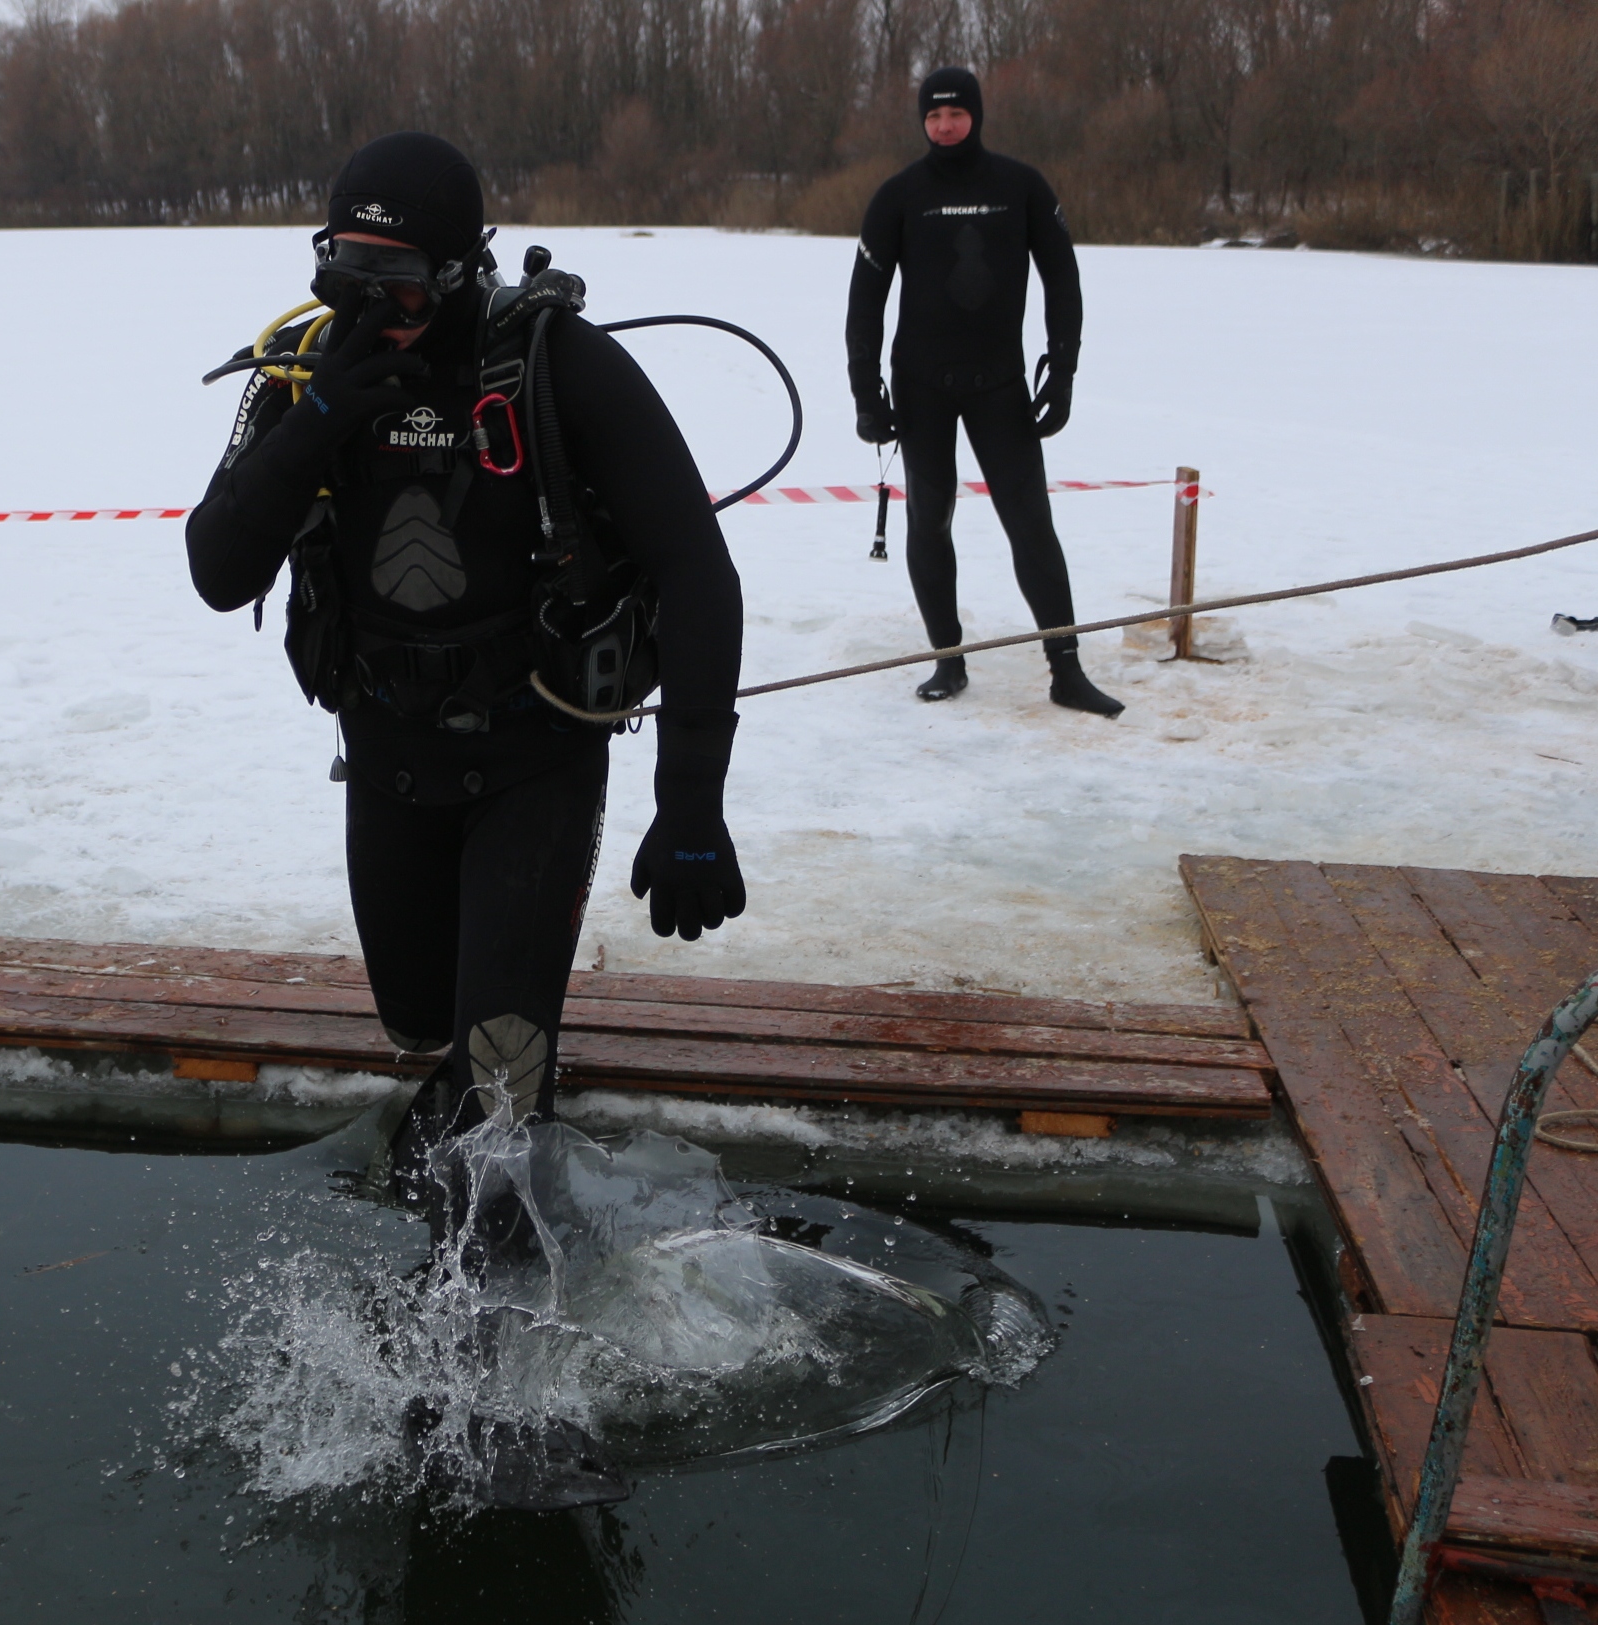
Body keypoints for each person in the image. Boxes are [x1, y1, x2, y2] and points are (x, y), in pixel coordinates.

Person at [186, 132, 746, 1172]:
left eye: (395, 285)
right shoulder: (305, 369)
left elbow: (697, 571)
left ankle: (497, 1304)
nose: (368, 310)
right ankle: (452, 1185)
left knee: (501, 1075)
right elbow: (218, 569)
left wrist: (693, 800)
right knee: (416, 1026)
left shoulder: (554, 364)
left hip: (534, 759)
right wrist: (314, 421)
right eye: (342, 276)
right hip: (388, 758)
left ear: (457, 271)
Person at [846, 67, 1121, 718]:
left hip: (1000, 385)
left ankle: (1065, 669)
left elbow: (1062, 279)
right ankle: (947, 659)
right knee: (929, 521)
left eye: (956, 115)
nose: (944, 126)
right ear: (922, 121)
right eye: (933, 117)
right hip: (921, 388)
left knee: (1030, 525)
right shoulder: (898, 195)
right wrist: (865, 389)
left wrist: (1062, 368)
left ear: (975, 115)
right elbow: (865, 298)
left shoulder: (1019, 187)